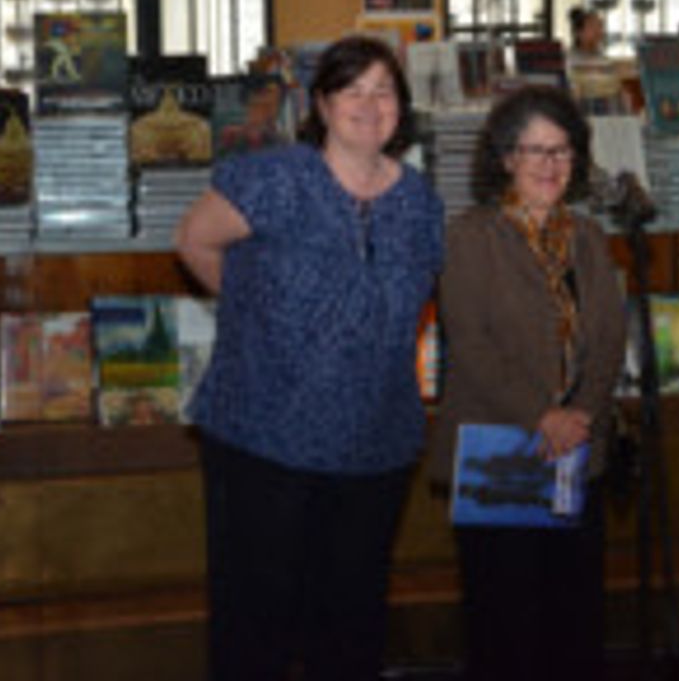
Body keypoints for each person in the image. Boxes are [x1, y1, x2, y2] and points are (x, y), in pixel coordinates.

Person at [175, 35, 444, 681]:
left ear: (400, 108)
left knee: (351, 627)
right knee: (255, 625)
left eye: (384, 89)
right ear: (322, 103)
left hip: (374, 445)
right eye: (351, 89)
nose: (368, 103)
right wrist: (258, 313)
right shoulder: (273, 177)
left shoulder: (420, 201)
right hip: (264, 437)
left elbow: (419, 298)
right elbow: (194, 241)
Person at [430, 85, 627, 681]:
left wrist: (580, 416)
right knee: (505, 627)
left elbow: (611, 339)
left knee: (575, 624)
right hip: (501, 453)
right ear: (506, 159)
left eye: (563, 151)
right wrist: (543, 416)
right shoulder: (469, 237)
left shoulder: (588, 239)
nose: (550, 165)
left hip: (576, 454)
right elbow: (471, 344)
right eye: (535, 151)